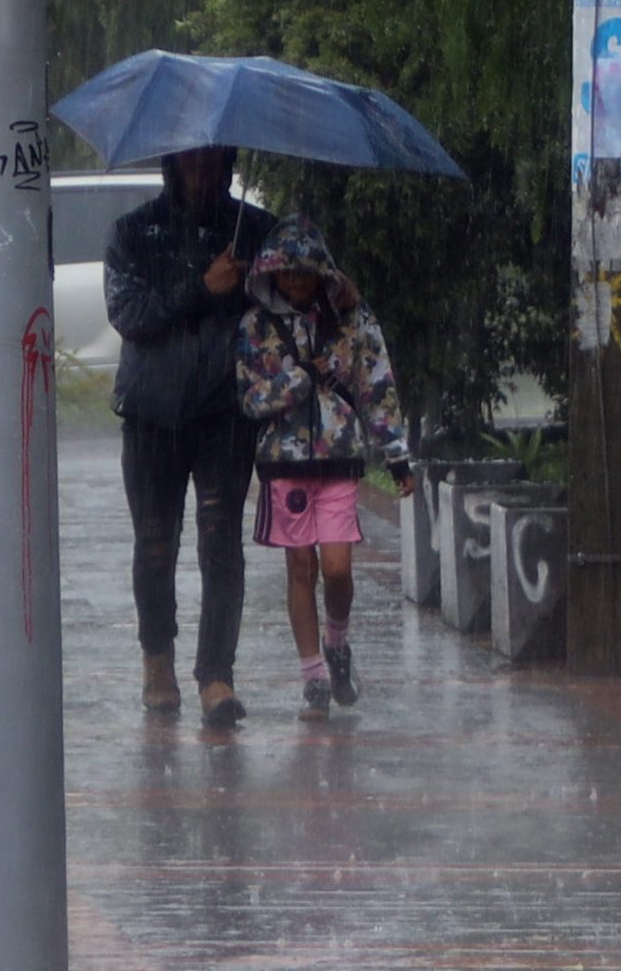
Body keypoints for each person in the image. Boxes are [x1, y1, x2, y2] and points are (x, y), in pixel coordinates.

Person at [104, 145, 274, 723]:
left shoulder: (253, 230)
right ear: (171, 166)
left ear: (227, 164)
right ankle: (158, 660)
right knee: (155, 541)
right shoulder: (133, 232)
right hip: (152, 409)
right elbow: (131, 314)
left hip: (225, 409)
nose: (200, 172)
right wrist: (202, 287)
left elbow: (286, 305)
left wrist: (275, 285)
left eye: (211, 161)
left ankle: (217, 674)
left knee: (220, 537)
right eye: (189, 161)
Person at [233, 215, 413, 720]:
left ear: (323, 275)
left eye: (305, 273)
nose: (294, 283)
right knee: (299, 567)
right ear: (271, 274)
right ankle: (313, 677)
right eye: (285, 273)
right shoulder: (253, 327)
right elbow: (249, 397)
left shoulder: (346, 320)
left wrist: (396, 453)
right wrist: (298, 381)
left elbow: (376, 382)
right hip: (283, 464)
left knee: (336, 569)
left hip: (338, 458)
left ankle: (337, 644)